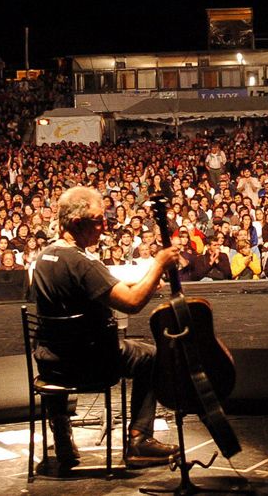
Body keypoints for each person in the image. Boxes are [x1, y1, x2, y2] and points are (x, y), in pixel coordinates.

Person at [29, 186, 180, 470]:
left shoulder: (44, 258)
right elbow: (132, 303)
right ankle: (139, 440)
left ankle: (62, 436)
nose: (104, 227)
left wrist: (144, 281)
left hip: (51, 364)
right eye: (98, 220)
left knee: (64, 342)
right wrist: (159, 264)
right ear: (77, 223)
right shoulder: (83, 263)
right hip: (91, 365)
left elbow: (97, 287)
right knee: (151, 356)